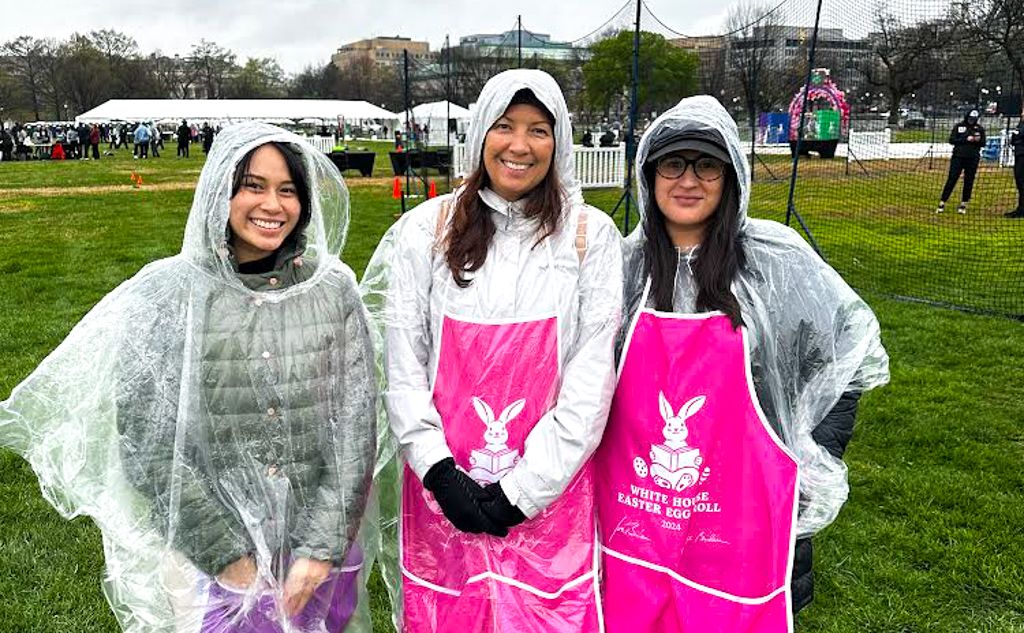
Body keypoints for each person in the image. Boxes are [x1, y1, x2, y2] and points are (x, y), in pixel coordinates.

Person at [0, 122, 379, 633]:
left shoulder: (331, 291)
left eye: (287, 190)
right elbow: (148, 440)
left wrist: (320, 548)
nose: (272, 204)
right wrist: (228, 558)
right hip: (211, 562)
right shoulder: (168, 296)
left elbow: (354, 427)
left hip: (319, 552)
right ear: (220, 191)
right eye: (253, 185)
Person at [595, 95, 890, 632]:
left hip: (744, 522)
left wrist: (810, 458)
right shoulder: (620, 266)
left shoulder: (775, 262)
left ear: (731, 177)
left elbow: (849, 359)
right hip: (636, 518)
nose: (689, 180)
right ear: (649, 175)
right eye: (672, 163)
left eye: (707, 165)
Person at [361, 69, 623, 632]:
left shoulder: (588, 235)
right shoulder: (425, 231)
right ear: (481, 132)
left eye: (538, 130)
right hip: (444, 498)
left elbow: (591, 377)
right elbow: (403, 366)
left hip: (551, 496)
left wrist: (526, 490)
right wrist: (437, 471)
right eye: (505, 126)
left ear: (560, 142)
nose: (520, 146)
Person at [937, 109, 986, 214]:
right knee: (952, 178)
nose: (971, 121)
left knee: (969, 180)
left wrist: (976, 140)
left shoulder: (979, 129)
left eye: (974, 119)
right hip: (958, 157)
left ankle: (964, 203)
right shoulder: (959, 127)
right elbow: (952, 140)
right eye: (970, 119)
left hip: (972, 158)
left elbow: (983, 143)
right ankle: (942, 201)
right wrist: (965, 139)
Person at [1005, 108, 1024, 219]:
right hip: (1018, 154)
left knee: (1022, 182)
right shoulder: (1021, 123)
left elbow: (1018, 137)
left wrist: (1018, 138)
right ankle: (1020, 208)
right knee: (1019, 182)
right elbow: (1014, 138)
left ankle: (1021, 210)